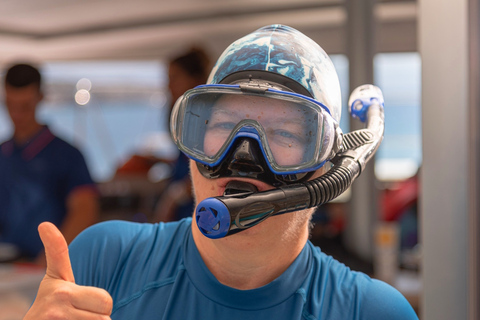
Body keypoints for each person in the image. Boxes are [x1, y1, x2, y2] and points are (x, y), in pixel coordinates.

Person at [24, 25, 418, 319]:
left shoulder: (371, 312)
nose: (244, 158)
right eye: (223, 126)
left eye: (284, 133)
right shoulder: (105, 261)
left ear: (328, 169)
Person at [0, 63, 99, 264]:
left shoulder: (68, 155)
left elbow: (85, 209)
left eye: (25, 106)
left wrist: (50, 258)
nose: (17, 115)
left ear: (40, 98)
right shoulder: (3, 152)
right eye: (11, 105)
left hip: (45, 267)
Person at [153, 47, 210, 222]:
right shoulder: (188, 117)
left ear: (195, 80)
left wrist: (172, 198)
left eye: (174, 78)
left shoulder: (209, 119)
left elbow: (210, 168)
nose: (168, 86)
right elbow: (188, 160)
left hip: (195, 212)